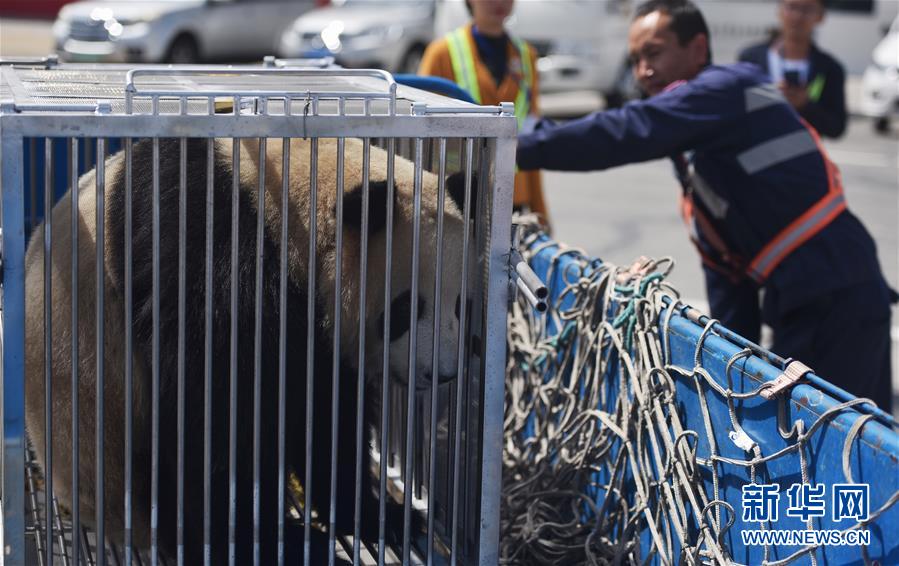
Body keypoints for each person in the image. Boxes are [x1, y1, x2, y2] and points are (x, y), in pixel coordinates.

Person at [516, 0, 894, 411]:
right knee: (799, 437)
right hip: (803, 301)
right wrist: (729, 377)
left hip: (839, 294)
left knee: (849, 443)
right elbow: (729, 283)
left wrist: (513, 142)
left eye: (654, 53)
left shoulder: (726, 88)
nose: (643, 71)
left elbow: (629, 130)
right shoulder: (698, 155)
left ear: (698, 48)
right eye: (636, 59)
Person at [418, 0, 550, 227]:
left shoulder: (527, 56)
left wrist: (541, 211)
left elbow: (531, 134)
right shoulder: (441, 53)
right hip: (456, 196)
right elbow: (419, 132)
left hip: (513, 196)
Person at [739, 0, 847, 138]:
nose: (798, 16)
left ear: (821, 16)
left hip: (804, 156)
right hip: (754, 154)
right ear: (779, 11)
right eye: (792, 7)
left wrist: (805, 104)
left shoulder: (830, 68)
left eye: (807, 9)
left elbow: (836, 128)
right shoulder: (751, 58)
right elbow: (736, 112)